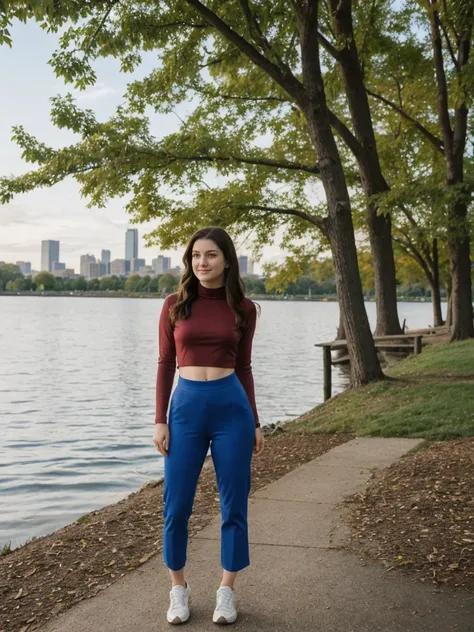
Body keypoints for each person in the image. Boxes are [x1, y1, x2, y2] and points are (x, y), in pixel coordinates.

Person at [153, 226, 264, 625]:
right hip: (185, 409)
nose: (202, 262)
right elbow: (166, 364)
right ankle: (178, 589)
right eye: (196, 255)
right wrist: (160, 420)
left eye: (211, 255)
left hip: (230, 409)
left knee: (234, 504)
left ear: (227, 260)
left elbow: (245, 367)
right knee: (176, 505)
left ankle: (226, 591)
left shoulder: (245, 309)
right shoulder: (174, 304)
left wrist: (254, 421)